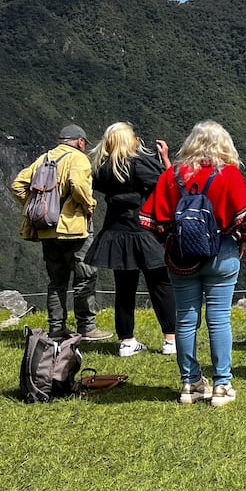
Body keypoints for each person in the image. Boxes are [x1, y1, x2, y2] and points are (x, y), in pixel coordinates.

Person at [140, 121, 246, 407]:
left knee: (186, 319)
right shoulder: (229, 175)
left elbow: (150, 221)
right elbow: (245, 218)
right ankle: (221, 385)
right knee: (218, 319)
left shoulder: (172, 175)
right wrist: (241, 242)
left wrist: (169, 241)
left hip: (180, 259)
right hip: (222, 254)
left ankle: (190, 384)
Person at [11, 124, 113, 342]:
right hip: (74, 229)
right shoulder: (78, 158)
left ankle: (56, 330)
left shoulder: (45, 158)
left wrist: (36, 206)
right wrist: (89, 205)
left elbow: (17, 185)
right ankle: (87, 328)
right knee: (85, 277)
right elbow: (77, 184)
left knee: (56, 281)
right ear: (80, 142)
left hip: (47, 229)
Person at [86, 122, 177, 357]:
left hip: (115, 232)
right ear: (129, 140)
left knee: (124, 289)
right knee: (160, 284)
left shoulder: (102, 169)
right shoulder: (139, 165)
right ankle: (171, 339)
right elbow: (168, 184)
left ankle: (127, 341)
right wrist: (164, 158)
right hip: (143, 231)